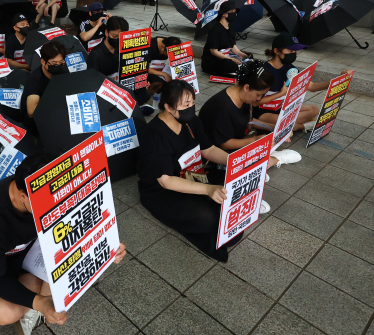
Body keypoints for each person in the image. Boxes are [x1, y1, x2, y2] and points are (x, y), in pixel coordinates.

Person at [0, 152, 127, 332]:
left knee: (63, 266)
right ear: (23, 197)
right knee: (3, 313)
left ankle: (34, 297)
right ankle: (36, 299)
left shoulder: (48, 190)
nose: (54, 209)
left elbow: (81, 228)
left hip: (32, 251)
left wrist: (106, 246)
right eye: (45, 205)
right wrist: (40, 302)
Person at [137, 80, 239, 262]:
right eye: (185, 105)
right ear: (168, 107)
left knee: (231, 186)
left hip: (194, 175)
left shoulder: (191, 121)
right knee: (208, 217)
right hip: (161, 191)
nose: (190, 108)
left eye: (192, 103)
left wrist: (235, 162)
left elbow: (207, 149)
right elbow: (166, 181)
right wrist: (208, 189)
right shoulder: (155, 134)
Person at [198, 60, 303, 212]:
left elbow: (249, 122)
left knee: (260, 151)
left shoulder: (243, 98)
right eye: (259, 95)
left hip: (237, 145)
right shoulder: (222, 107)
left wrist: (275, 130)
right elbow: (224, 144)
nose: (259, 99)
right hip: (214, 157)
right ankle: (272, 160)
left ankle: (267, 161)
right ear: (247, 87)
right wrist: (255, 141)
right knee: (241, 169)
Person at [255, 32, 341, 132]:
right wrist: (281, 94)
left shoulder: (290, 68)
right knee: (285, 121)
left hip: (281, 108)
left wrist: (337, 81)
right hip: (263, 112)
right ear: (276, 51)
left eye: (295, 51)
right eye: (290, 50)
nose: (293, 53)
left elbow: (312, 86)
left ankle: (292, 126)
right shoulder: (265, 71)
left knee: (314, 110)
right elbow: (254, 103)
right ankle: (302, 126)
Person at [21, 40, 68, 133]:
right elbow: (31, 111)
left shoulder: (63, 71)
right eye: (54, 64)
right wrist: (56, 109)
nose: (58, 66)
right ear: (43, 61)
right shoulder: (34, 79)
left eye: (61, 62)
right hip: (37, 125)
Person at [201, 2, 248, 77]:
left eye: (235, 11)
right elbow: (214, 52)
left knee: (248, 56)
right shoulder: (216, 30)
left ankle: (236, 68)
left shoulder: (231, 28)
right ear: (223, 14)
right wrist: (230, 59)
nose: (234, 13)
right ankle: (235, 69)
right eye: (232, 11)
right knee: (229, 63)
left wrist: (240, 54)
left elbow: (232, 45)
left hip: (224, 58)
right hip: (212, 61)